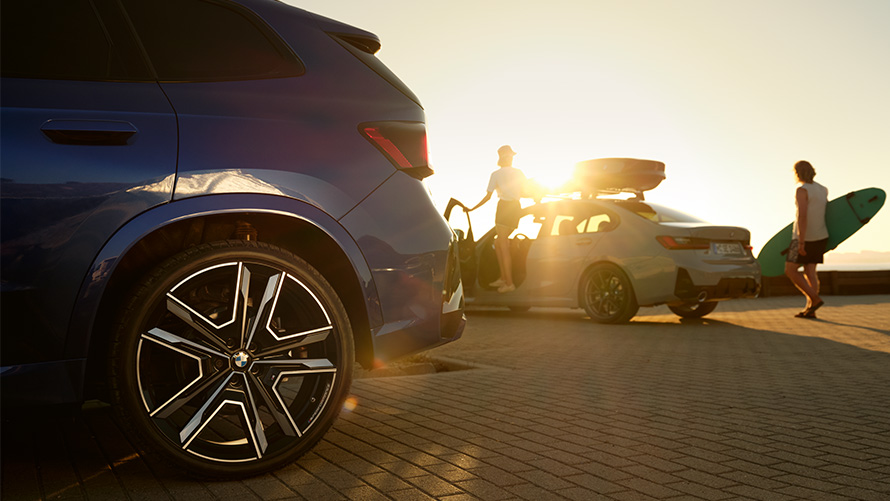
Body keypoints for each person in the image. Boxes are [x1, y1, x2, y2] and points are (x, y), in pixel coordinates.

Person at [470, 145, 527, 293]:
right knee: (498, 242)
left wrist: (472, 209)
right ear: (509, 157)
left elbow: (488, 197)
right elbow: (525, 190)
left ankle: (509, 283)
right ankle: (503, 277)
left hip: (504, 208)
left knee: (503, 244)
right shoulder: (519, 172)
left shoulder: (495, 174)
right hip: (516, 207)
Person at [784, 160, 829, 319]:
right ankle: (811, 310)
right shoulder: (823, 189)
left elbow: (802, 216)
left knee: (791, 270)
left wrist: (801, 242)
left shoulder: (801, 190)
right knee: (810, 271)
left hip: (803, 237)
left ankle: (815, 300)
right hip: (821, 235)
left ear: (797, 173)